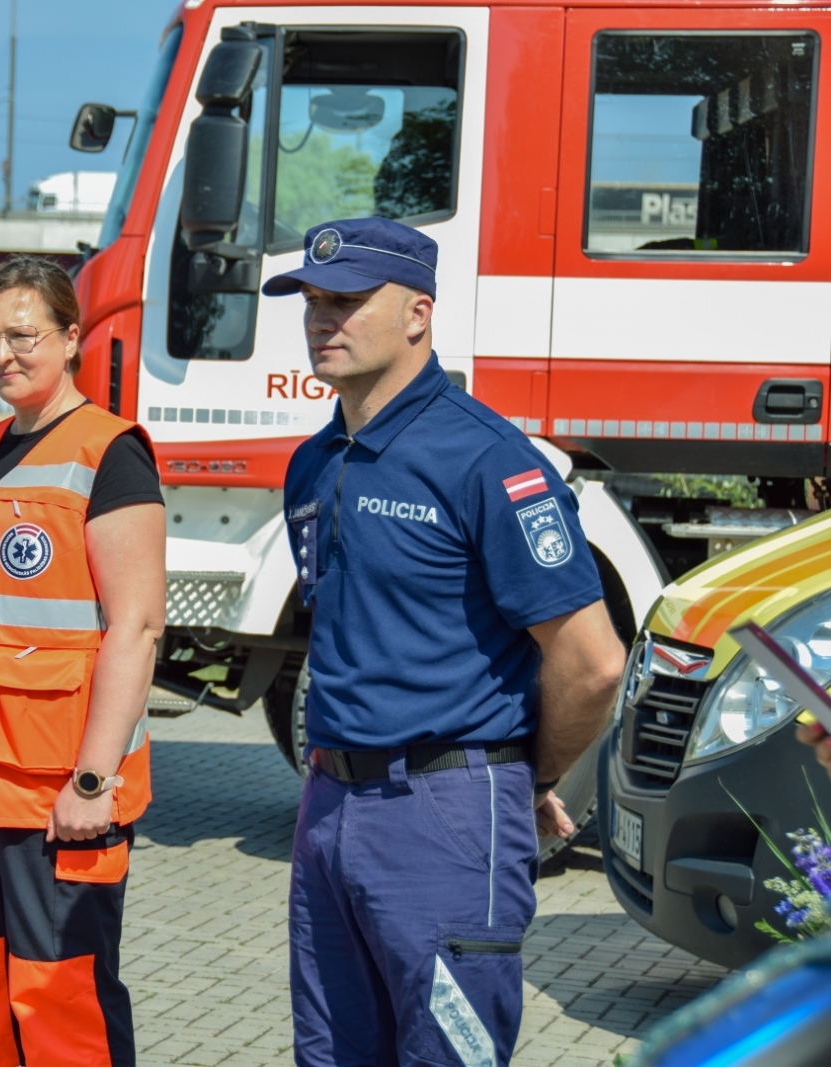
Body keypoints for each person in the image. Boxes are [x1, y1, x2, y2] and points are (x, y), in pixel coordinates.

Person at [265, 219, 627, 1067]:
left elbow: (595, 660)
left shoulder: (487, 458)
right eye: (314, 302)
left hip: (444, 812)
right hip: (329, 804)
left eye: (349, 301)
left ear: (418, 313)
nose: (323, 319)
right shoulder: (316, 461)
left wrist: (522, 779)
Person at [0, 254, 166, 1067]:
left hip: (54, 787)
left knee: (61, 1000)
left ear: (72, 337)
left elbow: (139, 626)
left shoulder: (109, 451)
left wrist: (93, 779)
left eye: (24, 335)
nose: (3, 354)